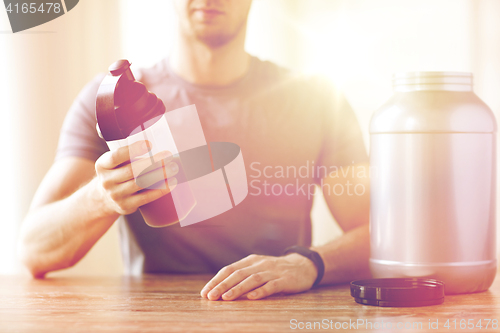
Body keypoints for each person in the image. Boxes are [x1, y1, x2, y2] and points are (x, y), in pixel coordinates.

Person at [18, 0, 371, 301]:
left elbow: (385, 235)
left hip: (273, 310)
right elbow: (35, 251)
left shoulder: (319, 101)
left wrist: (306, 263)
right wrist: (100, 198)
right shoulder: (110, 103)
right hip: (154, 318)